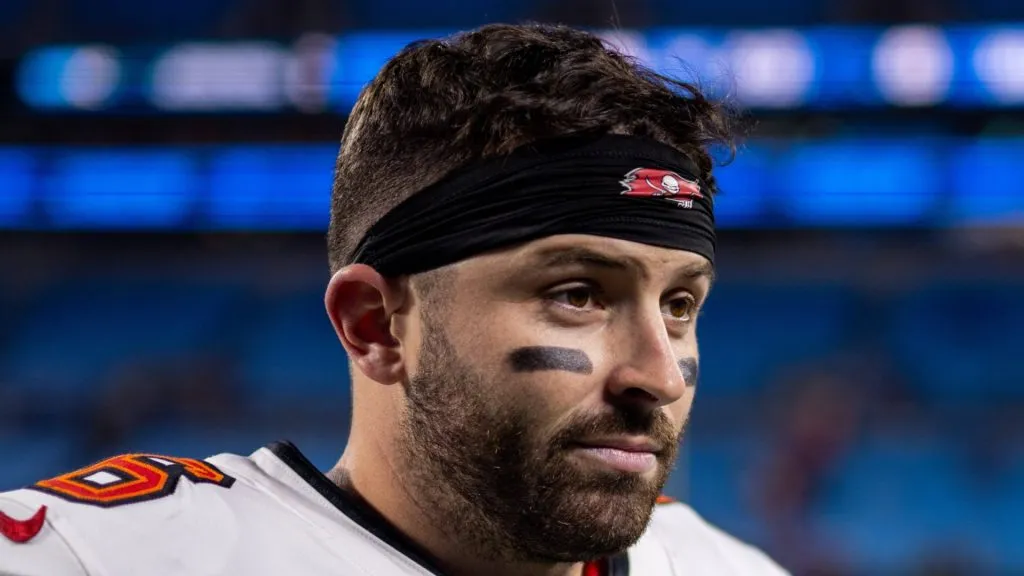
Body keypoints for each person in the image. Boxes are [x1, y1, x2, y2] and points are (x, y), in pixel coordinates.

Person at [0, 23, 788, 576]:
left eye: (680, 304)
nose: (661, 374)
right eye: (577, 293)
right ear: (375, 325)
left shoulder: (722, 566)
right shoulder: (92, 559)